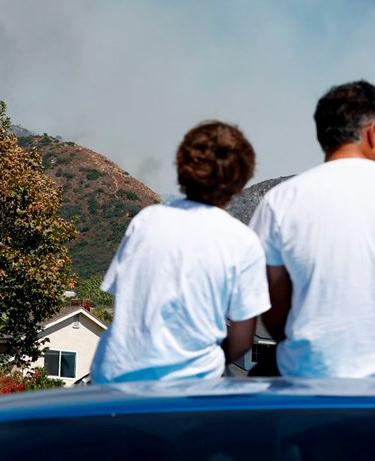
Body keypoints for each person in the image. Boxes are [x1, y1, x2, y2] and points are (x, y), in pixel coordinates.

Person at [249, 80, 375, 379]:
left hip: (310, 384)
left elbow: (274, 310)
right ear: (373, 131)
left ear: (323, 136)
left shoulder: (281, 201)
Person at [91, 121, 270, 382]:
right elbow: (243, 340)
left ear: (182, 167)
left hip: (114, 376)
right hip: (189, 386)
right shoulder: (242, 241)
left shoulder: (145, 221)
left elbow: (125, 307)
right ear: (241, 178)